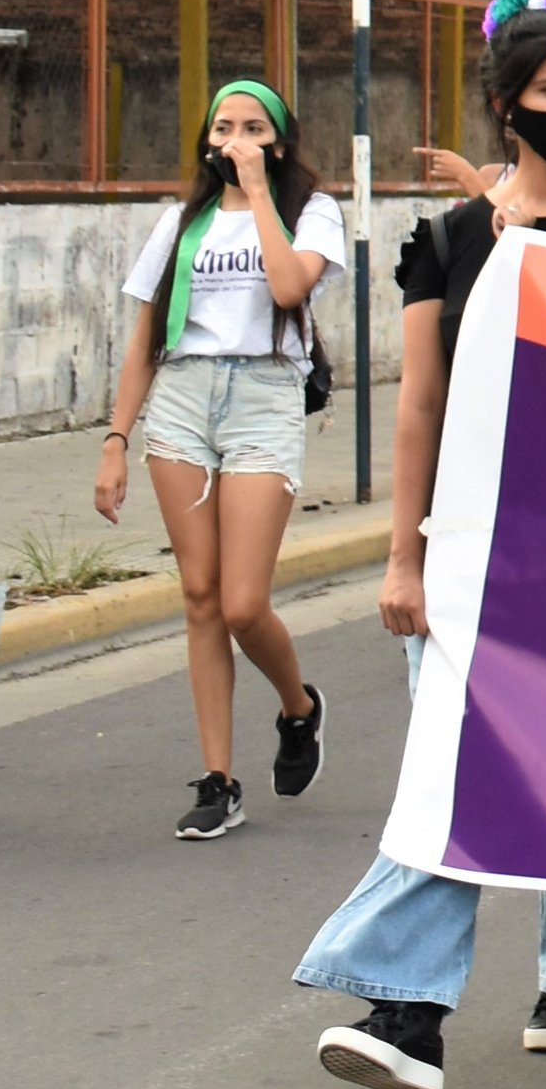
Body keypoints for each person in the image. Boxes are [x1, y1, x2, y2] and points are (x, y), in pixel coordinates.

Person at [307, 6, 546, 1089]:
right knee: (460, 764)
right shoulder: (448, 240)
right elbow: (420, 405)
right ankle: (407, 1007)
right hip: (472, 546)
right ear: (505, 106)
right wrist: (402, 556)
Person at [95, 78, 346, 841]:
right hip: (182, 395)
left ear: (279, 140)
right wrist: (115, 440)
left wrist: (259, 191)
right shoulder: (182, 221)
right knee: (200, 595)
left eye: (253, 127)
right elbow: (146, 338)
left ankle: (298, 707)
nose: (236, 138)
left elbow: (288, 286)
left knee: (243, 601)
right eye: (223, 126)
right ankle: (218, 778)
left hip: (264, 395)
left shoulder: (311, 210)